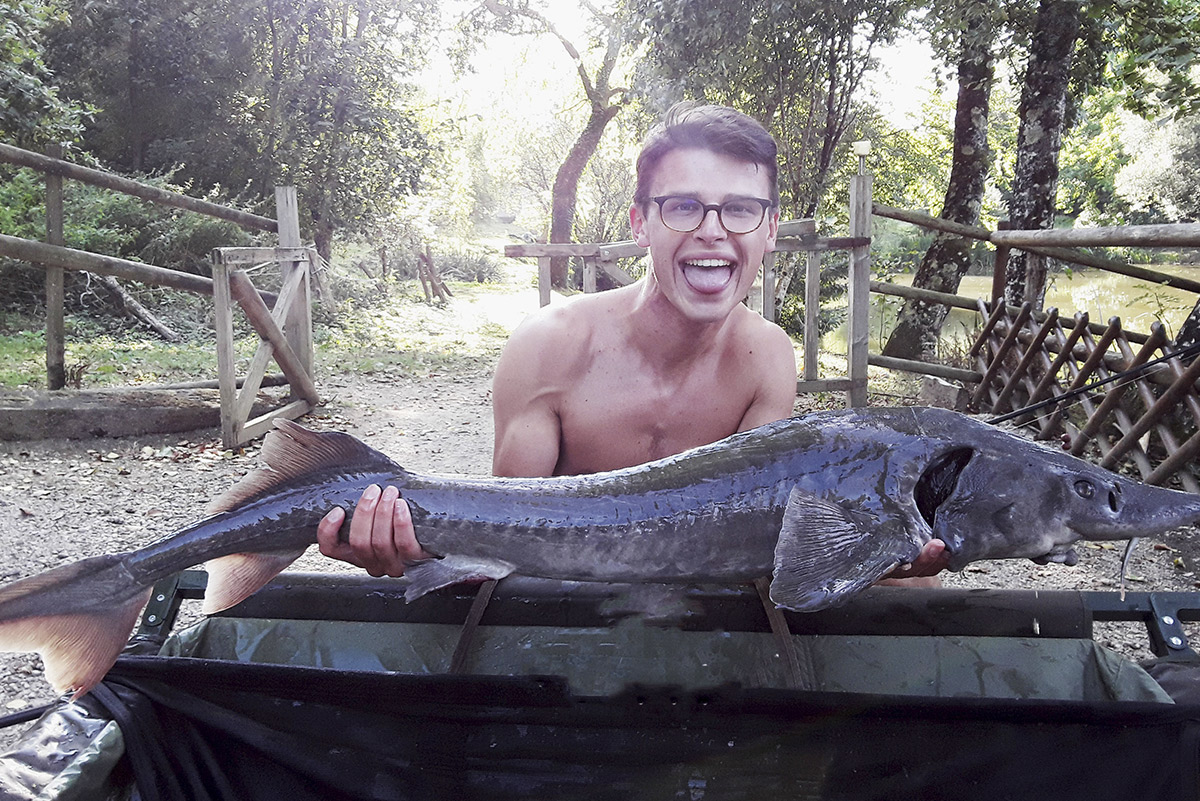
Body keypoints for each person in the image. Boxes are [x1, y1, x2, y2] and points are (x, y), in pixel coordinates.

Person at [317, 101, 946, 585]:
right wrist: (405, 546)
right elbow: (503, 539)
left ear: (770, 230)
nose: (712, 230)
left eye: (740, 209)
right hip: (560, 612)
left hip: (695, 625)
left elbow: (764, 544)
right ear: (641, 224)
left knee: (922, 591)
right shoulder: (548, 345)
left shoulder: (767, 359)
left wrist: (869, 560)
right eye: (683, 207)